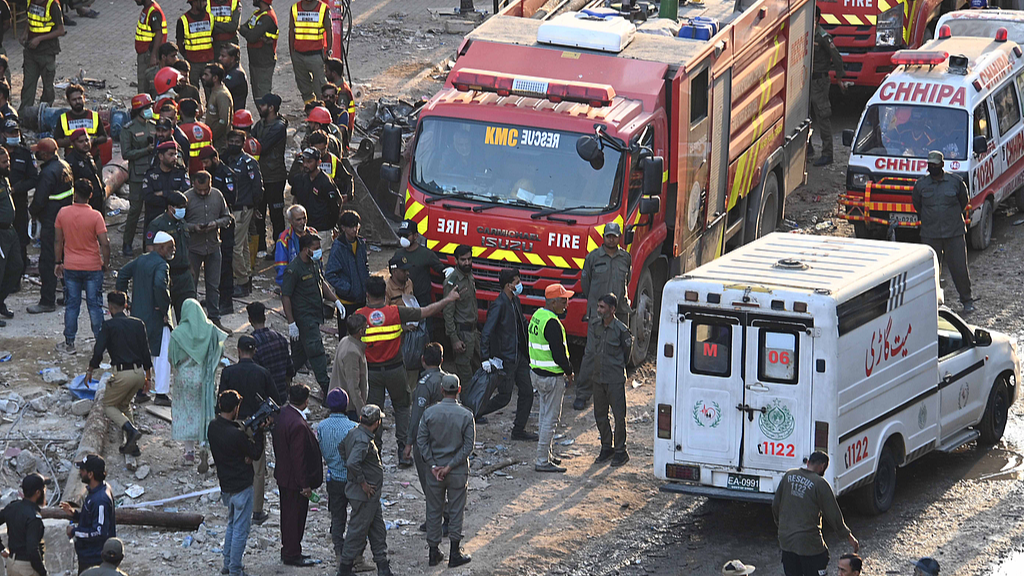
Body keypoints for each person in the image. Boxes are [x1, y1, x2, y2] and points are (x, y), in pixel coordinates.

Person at [356, 276, 459, 465]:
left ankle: (374, 452)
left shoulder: (359, 316)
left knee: (373, 412)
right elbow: (426, 311)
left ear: (367, 294)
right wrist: (448, 299)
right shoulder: (395, 312)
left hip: (371, 373)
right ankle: (403, 451)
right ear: (385, 294)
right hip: (395, 370)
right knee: (402, 408)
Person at [218, 337, 279, 526]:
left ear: (238, 350)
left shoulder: (228, 372)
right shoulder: (262, 373)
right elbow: (275, 400)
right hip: (255, 426)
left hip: (232, 425)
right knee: (258, 470)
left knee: (232, 464)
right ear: (254, 351)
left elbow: (221, 401)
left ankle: (234, 506)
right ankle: (257, 511)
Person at [416, 374, 474, 568]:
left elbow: (421, 441)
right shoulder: (466, 415)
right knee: (456, 510)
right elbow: (468, 447)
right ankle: (454, 553)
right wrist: (450, 466)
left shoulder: (429, 413)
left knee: (433, 510)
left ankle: (433, 553)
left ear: (441, 390)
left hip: (434, 473)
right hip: (457, 472)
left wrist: (433, 465)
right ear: (459, 390)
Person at [772, 450, 859, 576]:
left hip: (786, 541)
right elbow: (833, 514)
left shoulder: (788, 476)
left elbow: (775, 505)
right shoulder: (819, 483)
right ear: (822, 466)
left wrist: (782, 527)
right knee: (821, 559)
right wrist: (848, 536)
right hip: (809, 544)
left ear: (808, 462)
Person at [207, 390, 265, 576]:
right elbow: (255, 453)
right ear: (235, 408)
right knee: (240, 529)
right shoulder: (236, 434)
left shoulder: (213, 427)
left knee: (232, 524)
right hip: (241, 486)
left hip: (226, 485)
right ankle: (235, 569)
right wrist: (260, 431)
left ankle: (228, 564)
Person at [281, 233, 347, 394]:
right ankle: (327, 389)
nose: (318, 251)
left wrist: (336, 301)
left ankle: (282, 382)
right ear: (305, 249)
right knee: (317, 353)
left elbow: (321, 283)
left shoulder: (313, 263)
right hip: (304, 319)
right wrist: (291, 322)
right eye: (315, 248)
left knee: (299, 355)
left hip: (314, 316)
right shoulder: (294, 269)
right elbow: (286, 297)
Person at [88, 291, 151, 456]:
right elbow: (146, 352)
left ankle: (131, 430)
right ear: (125, 305)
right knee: (124, 405)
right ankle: (132, 445)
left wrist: (90, 370)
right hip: (139, 374)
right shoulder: (138, 324)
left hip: (122, 374)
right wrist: (148, 377)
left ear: (110, 307)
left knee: (108, 406)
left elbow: (98, 351)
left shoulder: (109, 326)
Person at [576, 221, 631, 409]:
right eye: (608, 236)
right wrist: (596, 305)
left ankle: (612, 392)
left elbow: (627, 281)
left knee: (616, 353)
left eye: (614, 236)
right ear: (604, 237)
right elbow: (585, 284)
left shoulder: (625, 258)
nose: (611, 239)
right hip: (598, 315)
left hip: (618, 313)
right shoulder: (593, 258)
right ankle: (583, 394)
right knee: (592, 353)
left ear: (619, 238)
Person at [912, 150, 975, 313]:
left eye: (935, 165)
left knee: (959, 268)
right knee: (930, 271)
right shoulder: (921, 185)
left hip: (954, 233)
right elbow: (917, 205)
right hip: (930, 234)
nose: (932, 167)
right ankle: (931, 304)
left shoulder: (955, 182)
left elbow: (963, 201)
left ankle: (967, 300)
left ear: (942, 165)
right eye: (930, 165)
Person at [317, 389, 372, 573]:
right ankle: (357, 557)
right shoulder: (353, 427)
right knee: (358, 519)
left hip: (333, 478)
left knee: (337, 518)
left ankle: (339, 554)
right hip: (353, 480)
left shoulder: (322, 426)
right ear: (346, 405)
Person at [169, 298, 228, 470]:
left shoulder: (178, 333)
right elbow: (221, 349)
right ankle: (206, 447)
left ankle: (189, 453)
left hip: (184, 379)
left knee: (186, 412)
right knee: (205, 411)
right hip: (204, 378)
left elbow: (172, 357)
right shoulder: (210, 330)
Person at [116, 232, 174, 406]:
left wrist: (125, 300)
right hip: (156, 317)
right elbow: (160, 285)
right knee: (162, 354)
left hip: (137, 314)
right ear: (161, 247)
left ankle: (141, 391)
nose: (173, 250)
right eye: (170, 247)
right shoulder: (162, 265)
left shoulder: (141, 260)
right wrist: (163, 308)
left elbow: (122, 274)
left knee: (140, 352)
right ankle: (161, 394)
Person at [479, 269, 536, 439]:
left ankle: (518, 430)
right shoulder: (499, 305)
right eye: (517, 282)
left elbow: (521, 323)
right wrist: (485, 357)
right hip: (506, 359)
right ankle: (474, 413)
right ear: (508, 285)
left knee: (527, 392)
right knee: (504, 397)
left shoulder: (515, 301)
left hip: (519, 356)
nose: (520, 285)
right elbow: (487, 332)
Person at [54, 179, 110, 354]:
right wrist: (106, 263)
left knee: (72, 305)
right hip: (93, 266)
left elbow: (58, 241)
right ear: (90, 195)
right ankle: (100, 343)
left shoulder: (63, 213)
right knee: (95, 305)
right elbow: (105, 243)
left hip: (71, 266)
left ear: (74, 194)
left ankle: (69, 343)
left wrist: (58, 262)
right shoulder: (96, 216)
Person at [336, 405, 393, 576]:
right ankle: (345, 568)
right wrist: (363, 483)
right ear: (377, 423)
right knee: (357, 531)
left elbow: (342, 449)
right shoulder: (363, 440)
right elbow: (352, 462)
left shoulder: (354, 433)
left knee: (377, 530)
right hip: (364, 494)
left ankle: (383, 566)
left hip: (369, 496)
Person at [271, 384, 323, 567]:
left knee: (288, 516)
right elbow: (298, 458)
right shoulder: (298, 424)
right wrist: (304, 485)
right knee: (295, 518)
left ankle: (289, 550)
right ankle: (292, 553)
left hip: (284, 475)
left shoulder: (282, 414)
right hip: (294, 480)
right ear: (306, 401)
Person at [581, 294, 633, 466]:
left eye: (602, 307)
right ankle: (606, 447)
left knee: (619, 416)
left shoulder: (621, 330)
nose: (599, 310)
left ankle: (620, 451)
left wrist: (616, 367)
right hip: (598, 378)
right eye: (598, 306)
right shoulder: (596, 327)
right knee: (600, 415)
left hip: (614, 379)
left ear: (612, 309)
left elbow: (627, 353)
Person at [530, 283, 575, 473]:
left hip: (537, 374)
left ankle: (546, 455)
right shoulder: (552, 323)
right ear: (553, 302)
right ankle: (542, 460)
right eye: (563, 301)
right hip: (551, 378)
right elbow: (559, 354)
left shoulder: (538, 316)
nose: (566, 305)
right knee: (550, 419)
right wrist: (569, 371)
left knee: (544, 415)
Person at [27, 138, 73, 315]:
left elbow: (39, 200)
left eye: (39, 152)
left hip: (51, 221)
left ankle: (47, 301)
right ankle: (70, 295)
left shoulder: (47, 173)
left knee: (48, 261)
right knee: (64, 258)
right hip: (65, 220)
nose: (37, 155)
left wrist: (32, 212)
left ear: (45, 154)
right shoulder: (65, 166)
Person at [184, 170, 232, 330]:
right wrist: (193, 227)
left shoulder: (217, 195)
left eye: (206, 189)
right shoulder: (187, 198)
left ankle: (215, 320)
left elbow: (228, 218)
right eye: (199, 190)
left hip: (213, 247)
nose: (203, 193)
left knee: (213, 286)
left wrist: (215, 224)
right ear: (193, 184)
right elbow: (179, 224)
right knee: (191, 286)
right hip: (193, 249)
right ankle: (192, 322)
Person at [407, 342, 447, 531]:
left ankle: (437, 518)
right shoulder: (449, 380)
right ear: (441, 360)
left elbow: (416, 415)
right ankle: (444, 517)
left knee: (428, 480)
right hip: (446, 437)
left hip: (427, 440)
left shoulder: (424, 384)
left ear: (423, 360)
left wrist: (409, 442)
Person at [223, 129, 262, 297]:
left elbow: (257, 187)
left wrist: (254, 207)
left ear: (243, 143)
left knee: (235, 247)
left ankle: (242, 281)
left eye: (237, 142)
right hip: (232, 208)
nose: (233, 145)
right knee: (243, 245)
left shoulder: (249, 163)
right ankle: (246, 278)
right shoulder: (225, 160)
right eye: (231, 141)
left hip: (243, 208)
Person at [147, 190, 196, 321]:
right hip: (168, 275)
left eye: (184, 207)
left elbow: (186, 246)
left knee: (189, 314)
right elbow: (151, 250)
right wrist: (162, 273)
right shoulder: (158, 224)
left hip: (185, 275)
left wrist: (191, 268)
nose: (183, 210)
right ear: (170, 208)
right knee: (164, 317)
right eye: (180, 207)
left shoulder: (182, 223)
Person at [62, 456, 115, 573]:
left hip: (94, 559)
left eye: (83, 470)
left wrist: (74, 531)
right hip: (89, 555)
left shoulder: (100, 500)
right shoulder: (96, 490)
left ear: (90, 474)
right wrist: (75, 514)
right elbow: (92, 518)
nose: (80, 472)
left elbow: (99, 532)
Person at [198, 146, 236, 309]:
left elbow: (231, 198)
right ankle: (213, 298)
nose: (204, 165)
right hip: (210, 225)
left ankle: (226, 301)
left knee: (225, 263)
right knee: (212, 265)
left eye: (206, 162)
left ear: (215, 159)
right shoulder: (206, 175)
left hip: (223, 223)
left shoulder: (227, 174)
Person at [121, 94, 157, 256]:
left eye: (150, 107)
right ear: (139, 110)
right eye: (146, 107)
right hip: (137, 175)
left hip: (153, 173)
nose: (149, 110)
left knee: (151, 210)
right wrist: (145, 150)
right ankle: (127, 243)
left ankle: (148, 243)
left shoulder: (153, 125)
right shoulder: (128, 129)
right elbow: (126, 153)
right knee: (135, 210)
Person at [809, 6, 845, 167]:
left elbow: (836, 57)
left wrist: (839, 78)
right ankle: (808, 148)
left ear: (816, 18)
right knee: (805, 117)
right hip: (809, 81)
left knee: (822, 116)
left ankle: (827, 153)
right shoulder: (807, 32)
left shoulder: (822, 36)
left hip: (820, 82)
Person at [253, 93, 288, 255]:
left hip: (275, 176)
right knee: (259, 213)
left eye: (263, 105)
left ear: (271, 108)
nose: (260, 108)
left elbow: (261, 146)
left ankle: (279, 248)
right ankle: (260, 246)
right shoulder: (260, 124)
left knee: (276, 215)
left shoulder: (278, 127)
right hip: (261, 175)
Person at [19, 0, 66, 117]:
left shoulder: (52, 5)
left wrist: (39, 39)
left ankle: (44, 114)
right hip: (30, 51)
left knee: (48, 88)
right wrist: (25, 33)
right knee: (28, 85)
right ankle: (24, 115)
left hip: (47, 52)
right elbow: (30, 19)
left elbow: (61, 30)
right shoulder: (30, 1)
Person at [4, 118, 37, 273]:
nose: (14, 136)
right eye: (11, 133)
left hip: (19, 203)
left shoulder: (24, 153)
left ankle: (20, 272)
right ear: (3, 134)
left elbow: (33, 178)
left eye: (16, 132)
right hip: (2, 204)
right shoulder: (1, 152)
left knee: (21, 239)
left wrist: (16, 189)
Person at [288, 148, 340, 246]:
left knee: (320, 255)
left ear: (319, 162)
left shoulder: (326, 182)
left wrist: (331, 226)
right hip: (303, 229)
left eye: (309, 162)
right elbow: (295, 199)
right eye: (304, 161)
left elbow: (336, 204)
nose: (305, 165)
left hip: (322, 231)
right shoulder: (300, 179)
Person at [444, 245, 479, 388]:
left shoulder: (469, 275)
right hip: (462, 334)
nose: (467, 262)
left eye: (469, 259)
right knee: (466, 380)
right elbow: (448, 313)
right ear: (456, 260)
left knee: (479, 372)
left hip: (474, 332)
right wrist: (454, 340)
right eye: (463, 260)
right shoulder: (452, 282)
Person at [0, 473, 49, 576]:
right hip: (27, 568)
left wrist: (1, 548)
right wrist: (43, 572)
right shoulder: (34, 517)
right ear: (38, 493)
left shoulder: (12, 507)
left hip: (12, 564)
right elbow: (32, 549)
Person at [325, 209, 366, 322]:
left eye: (356, 225)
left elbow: (365, 266)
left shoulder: (361, 243)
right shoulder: (338, 247)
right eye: (351, 226)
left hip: (361, 299)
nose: (355, 229)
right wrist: (348, 288)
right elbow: (330, 274)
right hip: (346, 301)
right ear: (343, 228)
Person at [141, 141, 190, 235]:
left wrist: (163, 193)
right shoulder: (151, 174)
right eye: (171, 154)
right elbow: (148, 197)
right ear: (161, 156)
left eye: (176, 154)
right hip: (155, 220)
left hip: (176, 221)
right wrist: (172, 199)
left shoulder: (181, 173)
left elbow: (185, 194)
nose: (175, 158)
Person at [394, 219, 444, 310]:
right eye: (401, 235)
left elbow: (441, 270)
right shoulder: (398, 254)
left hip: (422, 300)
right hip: (403, 299)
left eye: (406, 235)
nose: (403, 238)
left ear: (416, 236)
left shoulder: (426, 254)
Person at [289, 0, 331, 103]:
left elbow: (329, 30)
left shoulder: (323, 8)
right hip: (298, 55)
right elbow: (291, 31)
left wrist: (328, 51)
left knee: (320, 86)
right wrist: (292, 53)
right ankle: (310, 107)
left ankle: (323, 108)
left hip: (316, 55)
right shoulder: (294, 8)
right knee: (303, 85)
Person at [247, 301, 292, 397]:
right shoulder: (280, 337)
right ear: (265, 317)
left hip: (266, 397)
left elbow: (253, 375)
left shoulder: (251, 344)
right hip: (282, 393)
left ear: (250, 320)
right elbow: (290, 369)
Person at [0, 147, 23, 329]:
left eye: (7, 160)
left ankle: (0, 301)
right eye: (4, 162)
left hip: (10, 231)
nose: (8, 164)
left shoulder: (4, 178)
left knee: (16, 267)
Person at [330, 314, 368, 419]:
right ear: (360, 331)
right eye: (366, 327)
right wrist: (361, 412)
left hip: (343, 401)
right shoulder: (352, 352)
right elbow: (353, 386)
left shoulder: (345, 340)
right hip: (350, 407)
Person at [239, 0, 278, 100]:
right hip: (255, 61)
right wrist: (253, 34)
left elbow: (251, 37)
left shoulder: (267, 17)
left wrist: (251, 34)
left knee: (263, 95)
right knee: (257, 93)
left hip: (264, 62)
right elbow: (241, 28)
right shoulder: (257, 14)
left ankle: (269, 110)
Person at [53, 85, 108, 153]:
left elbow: (104, 137)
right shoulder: (63, 118)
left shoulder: (94, 116)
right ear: (68, 101)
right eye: (74, 100)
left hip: (93, 156)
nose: (77, 102)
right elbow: (57, 141)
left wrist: (93, 141)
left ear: (84, 98)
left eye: (79, 98)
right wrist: (73, 142)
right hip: (72, 157)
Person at [64, 129, 105, 213]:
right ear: (73, 144)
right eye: (81, 142)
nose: (85, 144)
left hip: (97, 202)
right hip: (84, 207)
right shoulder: (70, 162)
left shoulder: (88, 156)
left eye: (87, 140)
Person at [275, 204, 316, 285]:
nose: (302, 222)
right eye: (298, 220)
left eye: (304, 218)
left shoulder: (313, 233)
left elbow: (319, 261)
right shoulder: (284, 239)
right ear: (291, 221)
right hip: (294, 282)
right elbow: (281, 268)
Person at [177, 0, 214, 90]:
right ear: (194, 2)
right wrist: (186, 55)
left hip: (208, 61)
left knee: (210, 91)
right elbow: (179, 43)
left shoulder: (210, 17)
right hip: (192, 63)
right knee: (193, 90)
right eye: (203, 1)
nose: (206, 3)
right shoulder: (183, 20)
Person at [134, 0, 167, 95]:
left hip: (148, 55)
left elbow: (159, 34)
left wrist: (153, 56)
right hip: (146, 53)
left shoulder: (153, 11)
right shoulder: (148, 9)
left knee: (144, 87)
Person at [201, 64, 233, 152]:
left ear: (215, 78)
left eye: (206, 75)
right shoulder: (214, 91)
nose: (203, 77)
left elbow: (224, 121)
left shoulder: (221, 95)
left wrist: (211, 136)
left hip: (220, 143)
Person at [179, 99, 214, 176]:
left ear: (181, 112)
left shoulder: (180, 131)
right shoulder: (206, 129)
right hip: (205, 171)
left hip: (189, 172)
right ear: (196, 112)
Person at [219, 44, 248, 111]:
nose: (220, 58)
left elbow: (221, 88)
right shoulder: (228, 70)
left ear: (232, 59)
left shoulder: (237, 74)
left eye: (223, 56)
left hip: (234, 113)